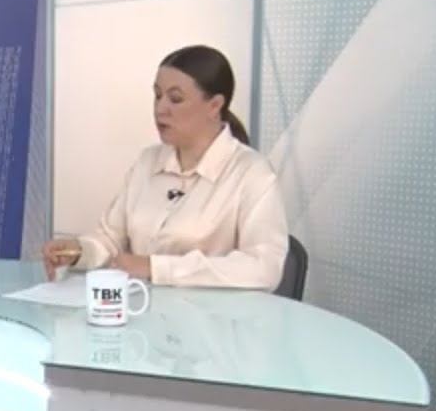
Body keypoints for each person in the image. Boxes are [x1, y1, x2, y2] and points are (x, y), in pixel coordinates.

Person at [43, 45, 288, 289]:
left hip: (213, 313)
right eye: (157, 95)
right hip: (141, 308)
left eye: (175, 99)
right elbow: (110, 239)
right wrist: (78, 252)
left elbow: (263, 268)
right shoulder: (147, 162)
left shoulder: (252, 173)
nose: (160, 109)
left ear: (214, 105)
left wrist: (156, 268)